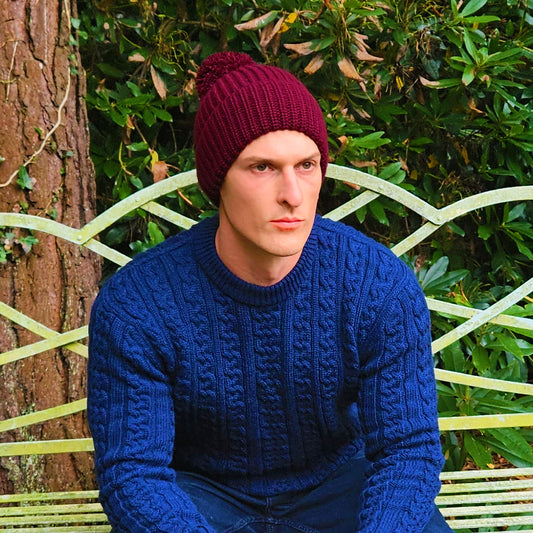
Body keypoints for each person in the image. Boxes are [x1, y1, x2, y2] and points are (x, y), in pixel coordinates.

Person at [87, 51, 453, 533]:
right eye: (262, 167)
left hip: (340, 487)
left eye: (307, 165)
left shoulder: (377, 285)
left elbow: (407, 452)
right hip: (200, 496)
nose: (293, 195)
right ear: (218, 180)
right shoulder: (140, 304)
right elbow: (134, 475)